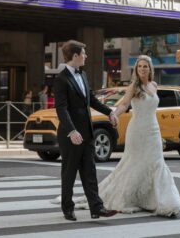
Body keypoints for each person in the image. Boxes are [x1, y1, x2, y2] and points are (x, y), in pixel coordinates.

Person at [54, 55, 180, 217]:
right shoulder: (134, 87)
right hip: (137, 130)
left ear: (150, 69)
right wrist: (114, 115)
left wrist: (161, 134)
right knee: (134, 164)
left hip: (153, 131)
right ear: (136, 69)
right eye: (140, 67)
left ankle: (159, 200)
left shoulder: (154, 85)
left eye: (145, 66)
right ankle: (108, 201)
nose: (142, 69)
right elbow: (123, 104)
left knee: (157, 163)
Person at [53, 40, 118, 222]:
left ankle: (97, 208)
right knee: (69, 173)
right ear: (75, 56)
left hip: (87, 134)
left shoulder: (83, 75)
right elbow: (61, 109)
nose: (86, 56)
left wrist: (110, 112)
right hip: (71, 136)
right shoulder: (61, 80)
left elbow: (92, 100)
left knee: (90, 173)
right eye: (83, 53)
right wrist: (72, 131)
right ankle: (67, 208)